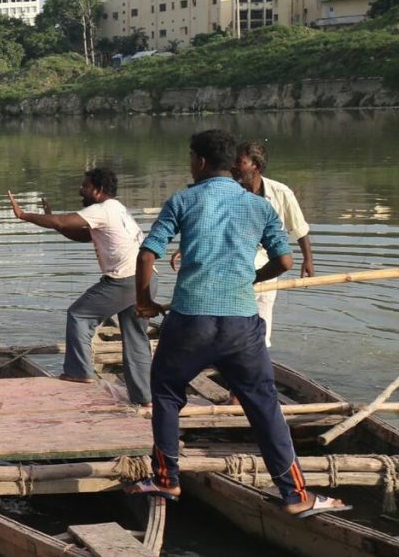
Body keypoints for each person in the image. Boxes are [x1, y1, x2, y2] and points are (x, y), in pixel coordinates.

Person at [127, 129, 350, 518]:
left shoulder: (182, 199)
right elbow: (284, 262)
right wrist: (251, 280)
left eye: (189, 158)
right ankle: (295, 494)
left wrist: (144, 302)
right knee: (264, 405)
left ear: (198, 161)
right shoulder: (259, 206)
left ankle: (167, 478)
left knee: (165, 393)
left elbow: (147, 255)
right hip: (241, 324)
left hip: (190, 320)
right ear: (232, 163)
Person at [7, 168, 153, 406]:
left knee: (79, 314)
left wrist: (24, 215)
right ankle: (145, 398)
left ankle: (79, 373)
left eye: (85, 187)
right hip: (146, 279)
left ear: (98, 190)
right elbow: (83, 235)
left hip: (125, 281)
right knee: (136, 340)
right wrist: (55, 223)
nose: (80, 191)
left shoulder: (101, 209)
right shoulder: (117, 209)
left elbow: (64, 221)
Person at [233, 141, 314, 345]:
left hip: (268, 267)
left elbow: (299, 227)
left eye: (240, 162)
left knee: (262, 316)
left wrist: (308, 259)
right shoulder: (230, 193)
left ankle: (260, 355)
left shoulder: (280, 192)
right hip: (235, 265)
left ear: (256, 167)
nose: (234, 166)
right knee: (233, 319)